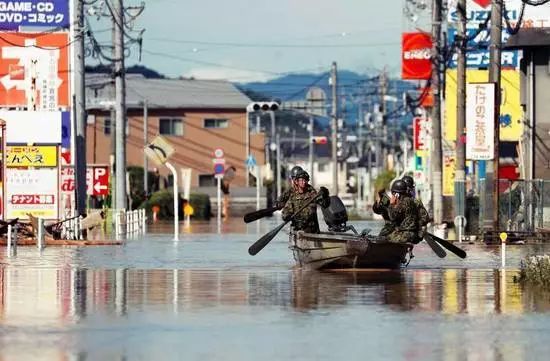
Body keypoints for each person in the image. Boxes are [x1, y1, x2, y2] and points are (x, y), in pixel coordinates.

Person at [282, 169, 328, 233]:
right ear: (297, 182)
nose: (304, 182)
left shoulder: (312, 194)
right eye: (302, 180)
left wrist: (325, 196)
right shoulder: (293, 197)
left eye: (306, 180)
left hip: (312, 231)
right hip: (298, 230)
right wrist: (288, 215)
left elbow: (324, 204)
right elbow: (284, 214)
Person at [386, 179, 419, 243]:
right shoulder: (409, 200)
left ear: (397, 194)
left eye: (393, 193)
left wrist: (391, 204)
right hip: (411, 233)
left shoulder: (403, 202)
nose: (392, 195)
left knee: (385, 239)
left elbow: (392, 217)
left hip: (406, 234)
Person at [402, 175, 430, 244]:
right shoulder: (415, 202)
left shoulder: (396, 201)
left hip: (405, 233)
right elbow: (425, 218)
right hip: (408, 234)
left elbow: (425, 219)